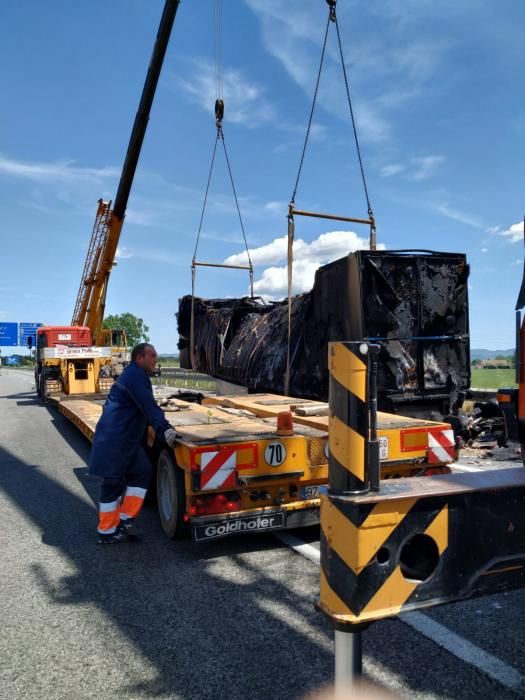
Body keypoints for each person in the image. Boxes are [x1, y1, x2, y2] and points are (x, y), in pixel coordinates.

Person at [89, 342, 178, 544]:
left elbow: (146, 406)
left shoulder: (136, 375)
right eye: (152, 355)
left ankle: (126, 517)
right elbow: (148, 406)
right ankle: (106, 532)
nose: (156, 359)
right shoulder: (135, 376)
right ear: (139, 358)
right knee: (113, 483)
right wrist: (165, 429)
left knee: (143, 469)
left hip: (126, 437)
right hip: (116, 438)